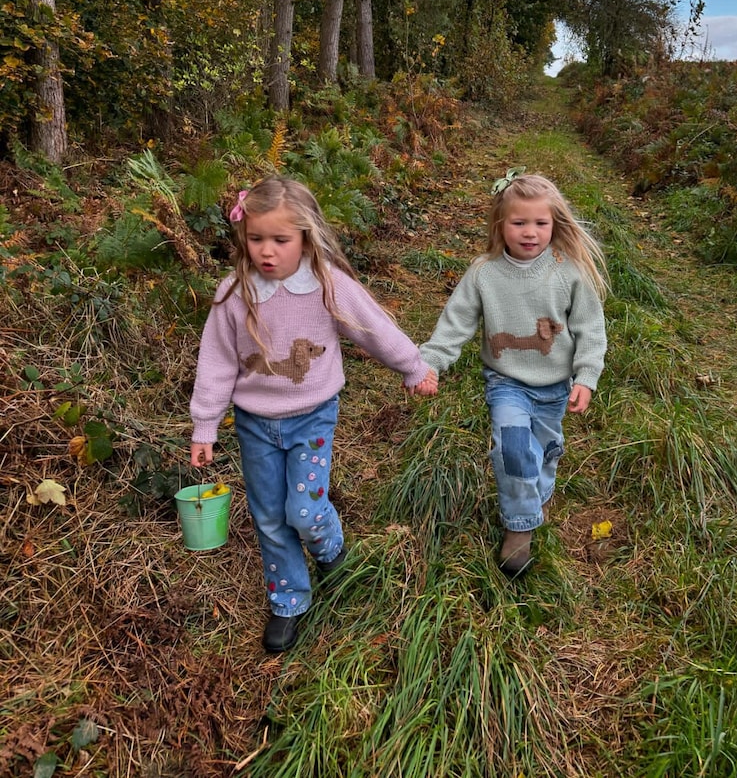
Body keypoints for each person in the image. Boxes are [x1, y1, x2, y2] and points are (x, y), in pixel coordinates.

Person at [189, 175, 437, 652]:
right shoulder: (234, 294)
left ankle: (331, 551)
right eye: (256, 238)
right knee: (269, 516)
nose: (267, 251)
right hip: (255, 425)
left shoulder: (326, 284)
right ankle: (288, 601)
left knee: (303, 510)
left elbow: (372, 327)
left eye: (280, 240)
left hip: (312, 418)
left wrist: (411, 366)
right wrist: (205, 425)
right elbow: (217, 360)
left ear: (304, 236)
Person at [418, 171, 608, 577]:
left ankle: (537, 487)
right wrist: (429, 362)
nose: (530, 232)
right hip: (506, 382)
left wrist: (586, 376)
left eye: (540, 223)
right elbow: (456, 323)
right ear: (499, 224)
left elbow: (591, 328)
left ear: (555, 224)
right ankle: (519, 528)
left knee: (541, 449)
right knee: (512, 446)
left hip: (555, 386)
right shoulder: (484, 272)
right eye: (518, 222)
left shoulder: (568, 270)